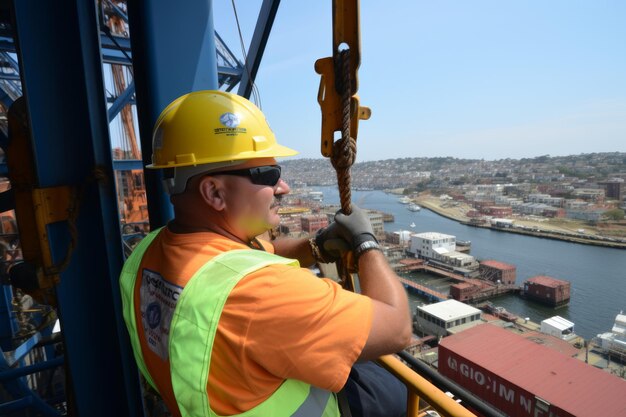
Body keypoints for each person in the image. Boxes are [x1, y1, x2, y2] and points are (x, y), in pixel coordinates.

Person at [119, 90, 412, 417]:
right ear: (214, 192)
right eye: (268, 175)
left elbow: (261, 251)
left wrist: (316, 246)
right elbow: (398, 326)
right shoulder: (261, 290)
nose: (283, 188)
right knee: (391, 388)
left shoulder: (146, 254)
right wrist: (366, 242)